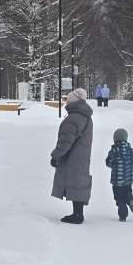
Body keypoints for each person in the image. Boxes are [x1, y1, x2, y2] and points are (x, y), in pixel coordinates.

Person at [50, 88, 94, 224]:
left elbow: (65, 142)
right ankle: (78, 213)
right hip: (81, 155)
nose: (66, 102)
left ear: (74, 101)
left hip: (72, 156)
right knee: (78, 182)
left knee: (75, 182)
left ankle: (77, 215)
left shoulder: (73, 118)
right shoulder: (86, 116)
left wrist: (55, 156)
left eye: (68, 99)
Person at [105, 128, 133, 222]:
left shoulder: (113, 151)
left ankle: (123, 216)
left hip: (117, 180)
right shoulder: (130, 151)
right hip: (128, 179)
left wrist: (112, 165)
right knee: (127, 191)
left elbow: (108, 162)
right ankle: (130, 200)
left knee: (119, 197)